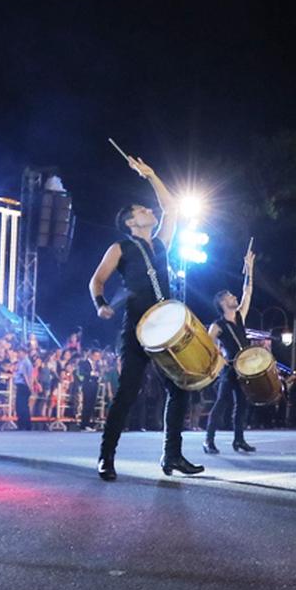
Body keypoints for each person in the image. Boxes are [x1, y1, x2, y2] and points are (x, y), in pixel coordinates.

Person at [90, 153, 203, 480]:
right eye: (142, 210)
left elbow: (171, 208)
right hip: (138, 328)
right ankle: (106, 456)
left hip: (165, 328)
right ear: (130, 222)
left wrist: (151, 175)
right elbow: (96, 281)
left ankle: (172, 456)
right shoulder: (120, 248)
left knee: (179, 389)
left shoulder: (160, 244)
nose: (149, 211)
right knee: (128, 391)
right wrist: (100, 303)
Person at [204, 242, 258, 454]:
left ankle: (239, 440)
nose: (234, 297)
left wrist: (250, 269)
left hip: (243, 368)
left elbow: (248, 291)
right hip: (229, 369)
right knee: (221, 403)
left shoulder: (240, 316)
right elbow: (208, 345)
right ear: (222, 303)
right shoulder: (217, 325)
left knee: (241, 405)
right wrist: (219, 358)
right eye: (230, 296)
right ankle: (208, 440)